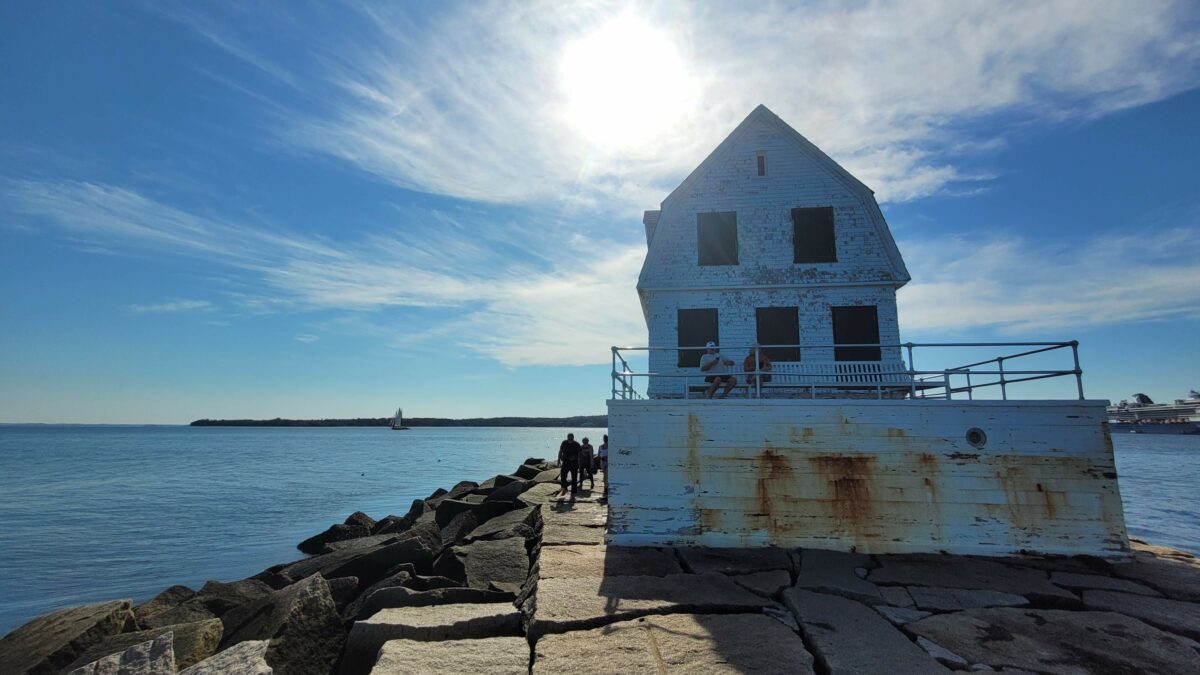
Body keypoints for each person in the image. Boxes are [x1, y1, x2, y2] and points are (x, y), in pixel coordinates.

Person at [597, 434, 609, 500]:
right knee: (605, 475)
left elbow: (599, 455)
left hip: (606, 462)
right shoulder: (600, 446)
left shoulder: (601, 446)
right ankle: (605, 488)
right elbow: (599, 455)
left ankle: (606, 488)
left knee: (606, 475)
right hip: (603, 462)